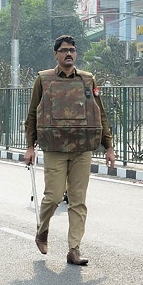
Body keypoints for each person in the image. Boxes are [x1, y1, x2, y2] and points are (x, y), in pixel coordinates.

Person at [22, 34, 116, 266]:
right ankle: (42, 230)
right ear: (56, 54)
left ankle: (74, 249)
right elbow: (33, 113)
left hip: (82, 148)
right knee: (53, 197)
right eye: (64, 50)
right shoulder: (43, 80)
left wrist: (109, 146)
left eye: (72, 50)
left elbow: (99, 113)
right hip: (54, 147)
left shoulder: (87, 80)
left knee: (78, 201)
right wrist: (29, 147)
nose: (69, 54)